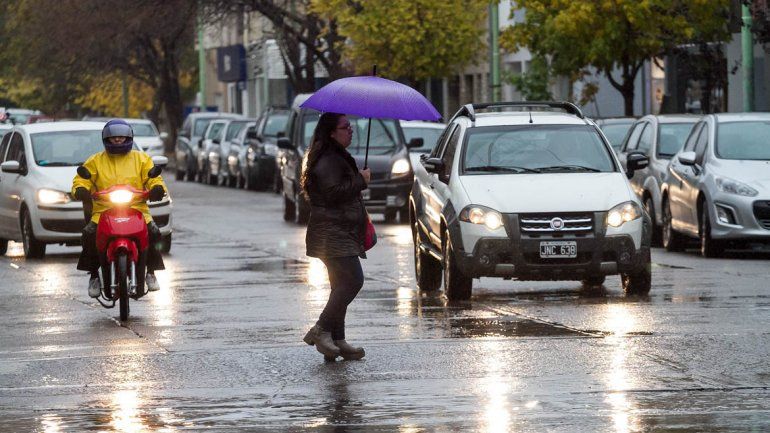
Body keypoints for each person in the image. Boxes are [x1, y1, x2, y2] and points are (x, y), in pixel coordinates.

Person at [301, 112, 371, 361]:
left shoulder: (335, 155)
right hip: (332, 233)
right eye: (345, 127)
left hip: (336, 232)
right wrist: (360, 181)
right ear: (332, 132)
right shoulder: (329, 158)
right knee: (352, 281)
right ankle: (321, 330)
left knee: (339, 286)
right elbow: (332, 193)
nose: (350, 130)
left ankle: (337, 339)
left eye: (351, 126)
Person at [72, 119, 167, 298]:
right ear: (106, 139)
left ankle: (151, 272)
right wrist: (81, 190)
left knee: (154, 232)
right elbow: (81, 179)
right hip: (103, 211)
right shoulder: (95, 160)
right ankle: (93, 275)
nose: (118, 140)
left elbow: (153, 178)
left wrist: (157, 188)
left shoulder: (141, 158)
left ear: (129, 137)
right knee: (89, 235)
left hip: (137, 209)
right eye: (114, 138)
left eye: (121, 137)